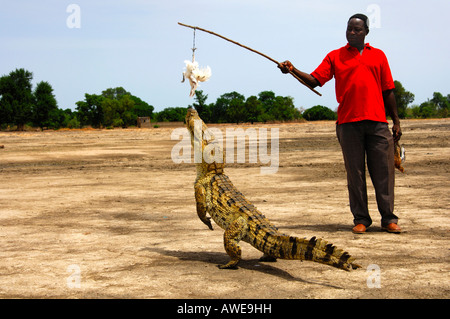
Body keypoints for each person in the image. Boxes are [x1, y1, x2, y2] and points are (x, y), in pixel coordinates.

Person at [279, 13, 402, 234]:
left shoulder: (379, 56)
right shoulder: (335, 56)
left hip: (377, 123)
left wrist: (396, 121)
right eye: (349, 29)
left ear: (366, 32)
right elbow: (316, 80)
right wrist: (292, 70)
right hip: (348, 123)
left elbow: (388, 90)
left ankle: (389, 219)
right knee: (354, 174)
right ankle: (361, 219)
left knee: (384, 173)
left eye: (357, 30)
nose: (352, 33)